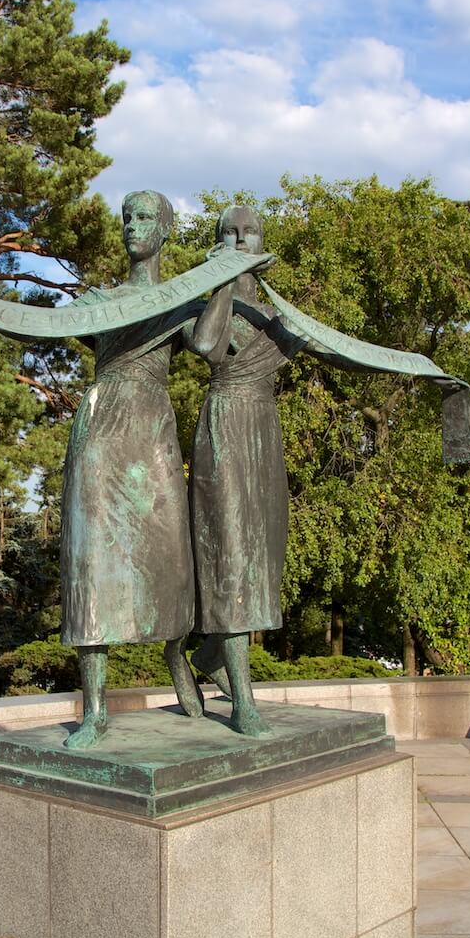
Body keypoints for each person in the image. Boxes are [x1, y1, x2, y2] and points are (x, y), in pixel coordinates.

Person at [61, 189, 230, 748]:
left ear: (164, 230)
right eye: (126, 218)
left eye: (144, 218)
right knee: (91, 561)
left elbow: (207, 345)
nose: (132, 227)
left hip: (151, 425)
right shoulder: (100, 299)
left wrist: (226, 276)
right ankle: (95, 709)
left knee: (171, 556)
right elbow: (27, 327)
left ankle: (178, 653)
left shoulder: (179, 301)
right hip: (101, 427)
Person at [187, 205, 287, 737]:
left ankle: (201, 659)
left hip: (263, 431)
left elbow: (331, 350)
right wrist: (221, 280)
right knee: (231, 557)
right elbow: (204, 345)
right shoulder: (212, 305)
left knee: (262, 558)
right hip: (224, 423)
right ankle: (243, 703)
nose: (240, 239)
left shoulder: (276, 314)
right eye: (229, 232)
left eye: (249, 233)